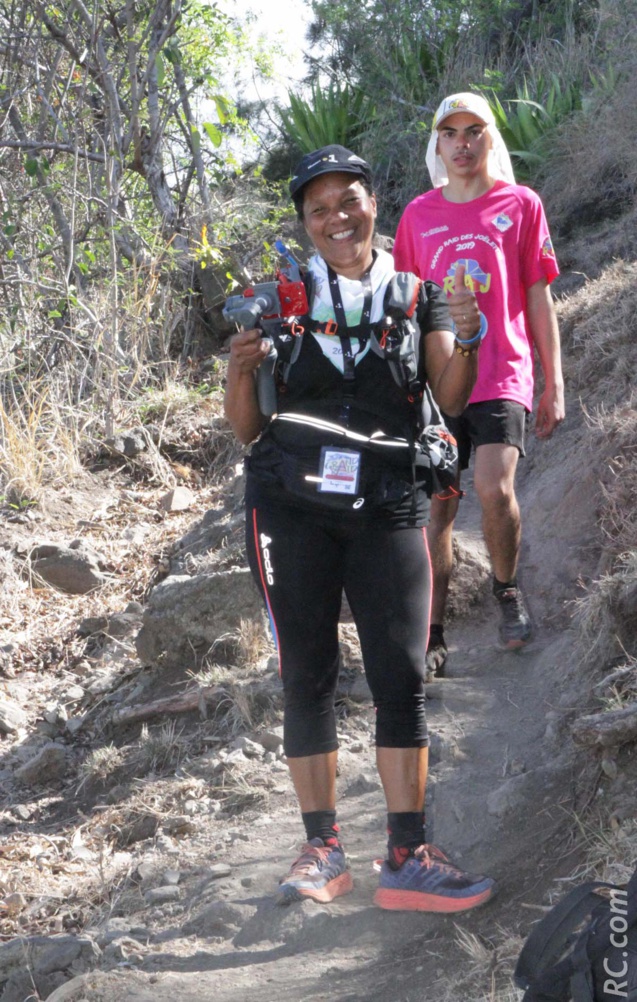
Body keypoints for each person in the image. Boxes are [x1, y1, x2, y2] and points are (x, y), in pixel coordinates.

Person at [224, 144, 496, 912]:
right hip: (288, 507)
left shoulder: (416, 297)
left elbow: (446, 392)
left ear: (376, 203)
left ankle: (408, 854)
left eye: (349, 201)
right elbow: (246, 429)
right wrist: (241, 366)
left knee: (400, 677)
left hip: (388, 507)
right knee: (306, 673)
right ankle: (321, 851)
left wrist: (469, 334)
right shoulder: (277, 301)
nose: (337, 218)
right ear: (305, 224)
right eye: (319, 209)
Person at [393, 93, 565, 677]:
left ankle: (507, 588)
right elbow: (406, 307)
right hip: (439, 386)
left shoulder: (522, 205)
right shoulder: (418, 215)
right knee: (436, 512)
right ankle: (431, 629)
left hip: (503, 373)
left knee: (494, 490)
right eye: (450, 133)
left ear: (491, 137)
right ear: (437, 144)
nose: (462, 143)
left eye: (474, 131)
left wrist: (553, 383)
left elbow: (539, 295)